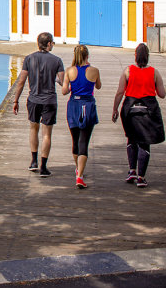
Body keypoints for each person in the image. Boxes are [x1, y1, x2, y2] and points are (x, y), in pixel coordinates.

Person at [112, 43, 166, 188]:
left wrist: (115, 109)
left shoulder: (128, 71)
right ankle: (141, 177)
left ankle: (132, 171)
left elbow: (119, 92)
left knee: (131, 138)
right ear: (147, 56)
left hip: (130, 109)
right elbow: (162, 94)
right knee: (145, 142)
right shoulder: (154, 72)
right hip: (148, 110)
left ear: (135, 56)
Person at [13, 32, 65, 177]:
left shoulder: (29, 59)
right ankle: (43, 167)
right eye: (52, 43)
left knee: (33, 129)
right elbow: (63, 82)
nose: (53, 45)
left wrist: (16, 100)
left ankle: (33, 162)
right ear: (48, 44)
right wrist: (55, 79)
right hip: (49, 101)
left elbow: (21, 81)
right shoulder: (57, 61)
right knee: (47, 134)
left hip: (33, 100)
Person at [61, 44, 101, 188]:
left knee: (75, 141)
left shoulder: (70, 71)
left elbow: (64, 91)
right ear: (87, 56)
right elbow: (98, 86)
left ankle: (78, 169)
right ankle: (80, 176)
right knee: (84, 141)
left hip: (73, 106)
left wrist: (70, 84)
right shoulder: (94, 71)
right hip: (88, 106)